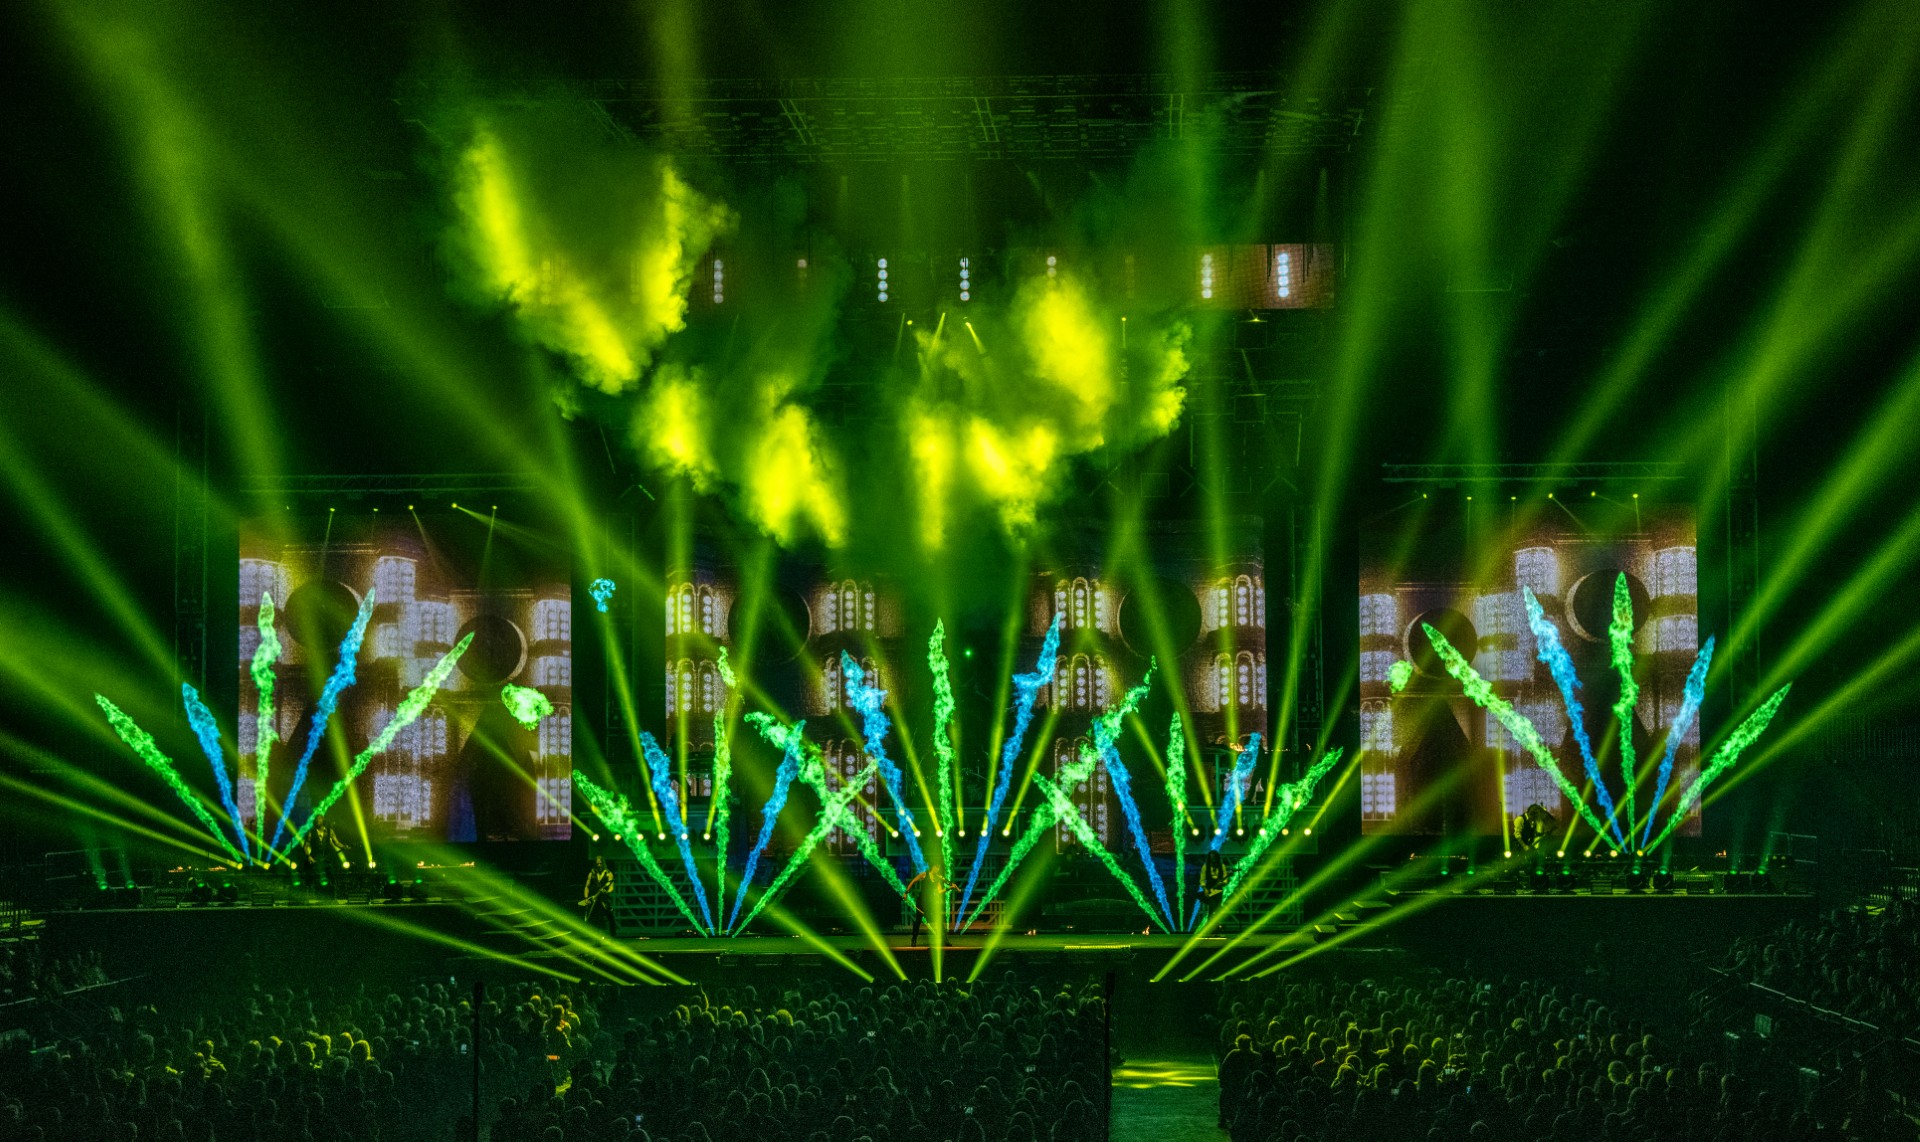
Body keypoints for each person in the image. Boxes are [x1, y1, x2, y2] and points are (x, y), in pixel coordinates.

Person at [902, 864, 951, 947]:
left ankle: (945, 940)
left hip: (930, 902)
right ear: (933, 867)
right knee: (918, 920)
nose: (938, 869)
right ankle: (914, 939)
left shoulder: (937, 878)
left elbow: (939, 891)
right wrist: (906, 893)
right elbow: (913, 881)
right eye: (937, 867)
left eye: (939, 868)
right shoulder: (924, 874)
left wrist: (949, 888)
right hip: (921, 900)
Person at [581, 855, 615, 936]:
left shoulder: (608, 874)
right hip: (594, 899)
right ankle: (595, 935)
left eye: (600, 863)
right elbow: (587, 886)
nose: (599, 865)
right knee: (594, 918)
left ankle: (613, 935)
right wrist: (586, 897)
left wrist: (607, 892)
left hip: (604, 899)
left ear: (603, 863)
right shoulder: (591, 874)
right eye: (597, 864)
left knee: (610, 917)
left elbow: (611, 887)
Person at [1197, 850, 1228, 924]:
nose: (1213, 859)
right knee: (1212, 907)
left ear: (1217, 857)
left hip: (1219, 890)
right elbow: (1202, 879)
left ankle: (1217, 925)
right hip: (1209, 889)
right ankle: (1210, 924)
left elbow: (1225, 878)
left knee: (1218, 908)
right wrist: (1205, 889)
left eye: (1214, 857)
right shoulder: (1205, 867)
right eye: (1211, 857)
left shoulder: (1222, 866)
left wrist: (1222, 883)